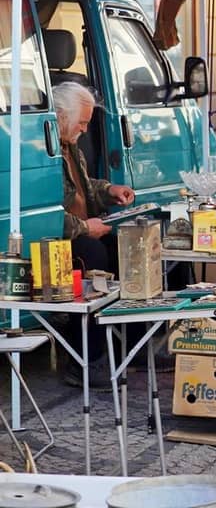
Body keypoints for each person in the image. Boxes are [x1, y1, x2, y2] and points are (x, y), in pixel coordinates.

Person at [54, 83, 136, 387]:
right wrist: (85, 228)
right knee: (93, 254)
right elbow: (45, 214)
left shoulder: (71, 147)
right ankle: (85, 361)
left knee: (129, 248)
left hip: (82, 228)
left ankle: (134, 348)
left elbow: (85, 188)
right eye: (82, 122)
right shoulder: (44, 151)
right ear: (61, 116)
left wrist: (110, 190)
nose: (85, 129)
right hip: (59, 237)